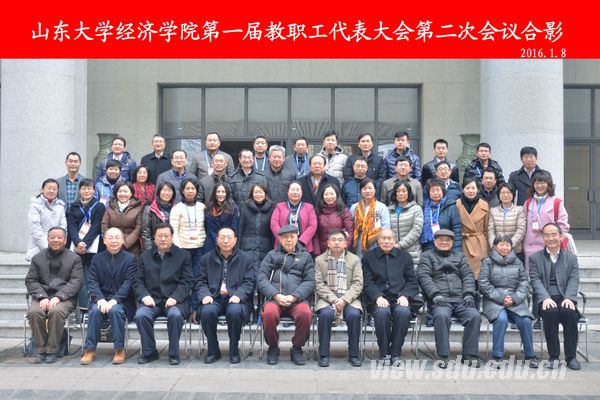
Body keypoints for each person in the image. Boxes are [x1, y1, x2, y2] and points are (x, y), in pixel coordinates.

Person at [417, 229, 482, 368]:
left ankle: (469, 355)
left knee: (474, 316)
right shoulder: (427, 256)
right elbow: (424, 276)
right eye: (441, 240)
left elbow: (468, 276)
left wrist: (469, 293)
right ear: (435, 242)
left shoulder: (460, 256)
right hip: (440, 299)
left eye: (447, 241)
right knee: (441, 316)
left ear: (452, 242)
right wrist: (434, 294)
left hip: (461, 299)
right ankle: (442, 355)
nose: (444, 243)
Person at [134, 223, 193, 365]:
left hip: (175, 301)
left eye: (166, 236)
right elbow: (138, 281)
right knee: (141, 315)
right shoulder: (145, 256)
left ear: (172, 237)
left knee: (175, 315)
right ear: (154, 238)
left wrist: (175, 297)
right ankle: (149, 352)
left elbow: (187, 281)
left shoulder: (183, 255)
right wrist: (145, 296)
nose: (163, 239)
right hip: (152, 300)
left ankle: (173, 353)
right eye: (159, 236)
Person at [257, 224, 315, 365]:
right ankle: (273, 347)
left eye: (292, 237)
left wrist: (295, 296)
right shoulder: (271, 255)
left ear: (297, 237)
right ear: (280, 239)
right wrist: (275, 295)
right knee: (268, 314)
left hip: (297, 299)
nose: (289, 240)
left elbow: (310, 281)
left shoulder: (305, 256)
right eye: (285, 237)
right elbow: (261, 278)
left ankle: (297, 347)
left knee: (305, 314)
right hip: (275, 298)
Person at [197, 227, 256, 364]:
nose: (225, 241)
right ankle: (213, 350)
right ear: (217, 240)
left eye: (229, 237)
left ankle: (234, 350)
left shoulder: (246, 259)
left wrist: (239, 295)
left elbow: (249, 281)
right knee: (206, 312)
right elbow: (200, 281)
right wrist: (205, 295)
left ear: (235, 240)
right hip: (214, 298)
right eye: (222, 237)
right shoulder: (206, 258)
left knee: (234, 312)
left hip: (235, 298)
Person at [25, 227, 83, 364]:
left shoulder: (74, 258)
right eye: (52, 237)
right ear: (48, 239)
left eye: (59, 237)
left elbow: (76, 281)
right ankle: (40, 350)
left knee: (56, 311)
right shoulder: (37, 258)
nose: (56, 240)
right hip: (42, 296)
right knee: (34, 312)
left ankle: (52, 350)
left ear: (65, 240)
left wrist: (59, 296)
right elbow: (31, 280)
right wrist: (42, 296)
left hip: (65, 298)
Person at [479, 235, 538, 369]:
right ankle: (497, 356)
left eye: (507, 244)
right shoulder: (487, 262)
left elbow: (524, 283)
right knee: (501, 320)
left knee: (525, 321)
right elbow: (484, 284)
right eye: (501, 244)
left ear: (511, 247)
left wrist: (515, 297)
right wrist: (501, 298)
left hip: (515, 300)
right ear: (495, 246)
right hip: (494, 300)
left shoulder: (517, 262)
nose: (504, 247)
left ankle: (530, 356)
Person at [80, 228, 136, 365]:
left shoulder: (130, 259)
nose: (114, 241)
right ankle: (89, 349)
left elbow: (129, 283)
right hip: (101, 298)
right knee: (94, 311)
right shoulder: (97, 259)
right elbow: (92, 281)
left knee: (116, 311)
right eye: (110, 238)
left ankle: (119, 349)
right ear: (104, 241)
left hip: (122, 301)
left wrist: (115, 300)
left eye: (117, 237)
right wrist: (100, 299)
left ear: (122, 240)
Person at [529, 223, 581, 370]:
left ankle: (571, 357)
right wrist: (545, 298)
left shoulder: (571, 258)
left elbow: (574, 279)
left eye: (553, 234)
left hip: (565, 297)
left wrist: (569, 297)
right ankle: (554, 356)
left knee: (569, 313)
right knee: (550, 313)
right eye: (546, 235)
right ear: (543, 238)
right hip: (545, 298)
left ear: (561, 236)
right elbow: (535, 281)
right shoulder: (535, 258)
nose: (550, 238)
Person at [362, 228, 419, 363]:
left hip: (400, 297)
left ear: (394, 241)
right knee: (382, 313)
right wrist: (377, 296)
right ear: (378, 240)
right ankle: (384, 352)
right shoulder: (368, 257)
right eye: (383, 238)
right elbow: (367, 282)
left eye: (389, 238)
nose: (386, 241)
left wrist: (405, 296)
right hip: (378, 299)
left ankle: (396, 352)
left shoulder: (405, 256)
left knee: (403, 312)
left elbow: (412, 281)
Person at [314, 229, 363, 367]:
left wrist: (344, 300)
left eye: (340, 240)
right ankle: (323, 354)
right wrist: (334, 300)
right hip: (327, 298)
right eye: (333, 240)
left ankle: (354, 354)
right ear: (328, 243)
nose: (337, 243)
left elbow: (358, 283)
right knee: (325, 314)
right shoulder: (319, 260)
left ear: (345, 243)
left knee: (354, 315)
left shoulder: (354, 259)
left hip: (349, 298)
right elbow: (318, 284)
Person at [170, 178, 206, 321]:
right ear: (183, 191)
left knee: (198, 279)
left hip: (200, 248)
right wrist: (179, 249)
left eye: (193, 188)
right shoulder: (177, 208)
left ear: (197, 191)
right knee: (184, 279)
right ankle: (183, 308)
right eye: (187, 188)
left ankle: (195, 309)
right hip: (183, 249)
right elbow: (173, 230)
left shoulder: (202, 207)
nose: (190, 191)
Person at [67, 179, 106, 310]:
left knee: (91, 276)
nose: (87, 191)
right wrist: (78, 242)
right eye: (84, 188)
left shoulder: (99, 206)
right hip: (76, 247)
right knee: (78, 276)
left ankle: (91, 305)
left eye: (89, 188)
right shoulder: (74, 206)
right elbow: (71, 226)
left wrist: (85, 244)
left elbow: (96, 227)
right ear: (79, 190)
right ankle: (82, 306)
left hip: (93, 247)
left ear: (94, 190)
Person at [522, 170, 569, 271]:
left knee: (550, 274)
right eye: (536, 183)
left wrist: (557, 241)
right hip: (530, 246)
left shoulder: (556, 202)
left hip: (550, 245)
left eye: (542, 182)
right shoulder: (528, 202)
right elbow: (522, 224)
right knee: (532, 274)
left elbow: (563, 225)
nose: (539, 186)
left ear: (548, 184)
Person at [271, 181, 318, 254]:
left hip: (303, 246)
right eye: (292, 190)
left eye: (298, 190)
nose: (295, 192)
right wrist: (284, 239)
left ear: (301, 193)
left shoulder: (309, 207)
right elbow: (274, 224)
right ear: (288, 192)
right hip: (283, 245)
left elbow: (313, 225)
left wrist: (301, 241)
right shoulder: (279, 207)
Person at [455, 177, 490, 280]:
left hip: (480, 243)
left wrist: (487, 246)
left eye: (473, 188)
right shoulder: (456, 204)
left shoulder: (484, 205)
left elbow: (486, 228)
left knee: (480, 275)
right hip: (463, 243)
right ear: (463, 190)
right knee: (465, 273)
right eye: (467, 188)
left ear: (477, 189)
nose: (471, 191)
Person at [27, 179, 67, 261]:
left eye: (54, 189)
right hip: (38, 249)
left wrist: (58, 245)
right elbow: (35, 230)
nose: (52, 191)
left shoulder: (60, 207)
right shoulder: (35, 206)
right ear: (42, 189)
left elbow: (63, 228)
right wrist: (49, 247)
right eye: (49, 188)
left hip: (58, 249)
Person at [350, 178, 390, 257]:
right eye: (364, 188)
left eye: (370, 188)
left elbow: (385, 227)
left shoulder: (381, 207)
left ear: (375, 190)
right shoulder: (354, 207)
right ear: (360, 191)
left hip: (376, 242)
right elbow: (350, 226)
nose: (368, 191)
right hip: (358, 241)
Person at [101, 181, 143, 256]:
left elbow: (138, 229)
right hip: (112, 245)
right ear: (116, 193)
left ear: (131, 193)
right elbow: (104, 225)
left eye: (125, 191)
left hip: (132, 248)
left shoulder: (138, 208)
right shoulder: (110, 207)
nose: (123, 194)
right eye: (120, 191)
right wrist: (112, 241)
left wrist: (125, 243)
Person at [420, 179, 462, 252]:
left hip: (446, 246)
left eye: (438, 190)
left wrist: (457, 251)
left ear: (443, 191)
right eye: (432, 190)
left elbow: (457, 230)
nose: (435, 193)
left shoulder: (450, 206)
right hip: (427, 247)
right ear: (428, 193)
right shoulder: (423, 207)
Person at [388, 181, 423, 267]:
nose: (401, 193)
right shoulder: (388, 210)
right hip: (392, 250)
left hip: (412, 252)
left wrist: (400, 245)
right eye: (398, 191)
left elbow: (416, 230)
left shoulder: (416, 209)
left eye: (404, 191)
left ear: (409, 193)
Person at [238, 183, 276, 264]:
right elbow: (240, 230)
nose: (258, 194)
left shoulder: (272, 209)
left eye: (260, 192)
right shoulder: (245, 207)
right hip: (247, 247)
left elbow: (272, 233)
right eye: (256, 192)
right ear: (252, 194)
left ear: (265, 193)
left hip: (265, 247)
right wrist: (238, 248)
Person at [488, 183, 526, 261]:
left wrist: (509, 246)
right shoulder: (493, 211)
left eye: (508, 192)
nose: (505, 195)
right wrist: (495, 246)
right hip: (497, 251)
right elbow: (490, 230)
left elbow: (521, 230)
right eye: (503, 193)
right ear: (498, 195)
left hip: (515, 251)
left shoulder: (519, 210)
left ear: (513, 194)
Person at [314, 183, 354, 256]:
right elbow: (316, 234)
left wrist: (344, 247)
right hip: (323, 251)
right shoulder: (318, 211)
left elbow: (350, 232)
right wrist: (317, 253)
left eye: (332, 194)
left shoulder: (344, 211)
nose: (329, 196)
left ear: (337, 195)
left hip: (341, 250)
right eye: (326, 194)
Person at [203, 182, 239, 255]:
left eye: (223, 192)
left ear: (227, 193)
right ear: (214, 193)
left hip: (226, 243)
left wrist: (223, 240)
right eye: (218, 192)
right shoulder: (208, 207)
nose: (221, 194)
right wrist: (216, 239)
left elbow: (234, 228)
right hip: (210, 243)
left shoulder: (233, 209)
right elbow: (207, 228)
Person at [141, 181, 176, 251]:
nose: (167, 193)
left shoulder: (176, 208)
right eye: (164, 190)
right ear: (159, 192)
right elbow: (145, 232)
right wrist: (149, 250)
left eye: (169, 191)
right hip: (154, 246)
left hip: (172, 246)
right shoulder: (150, 208)